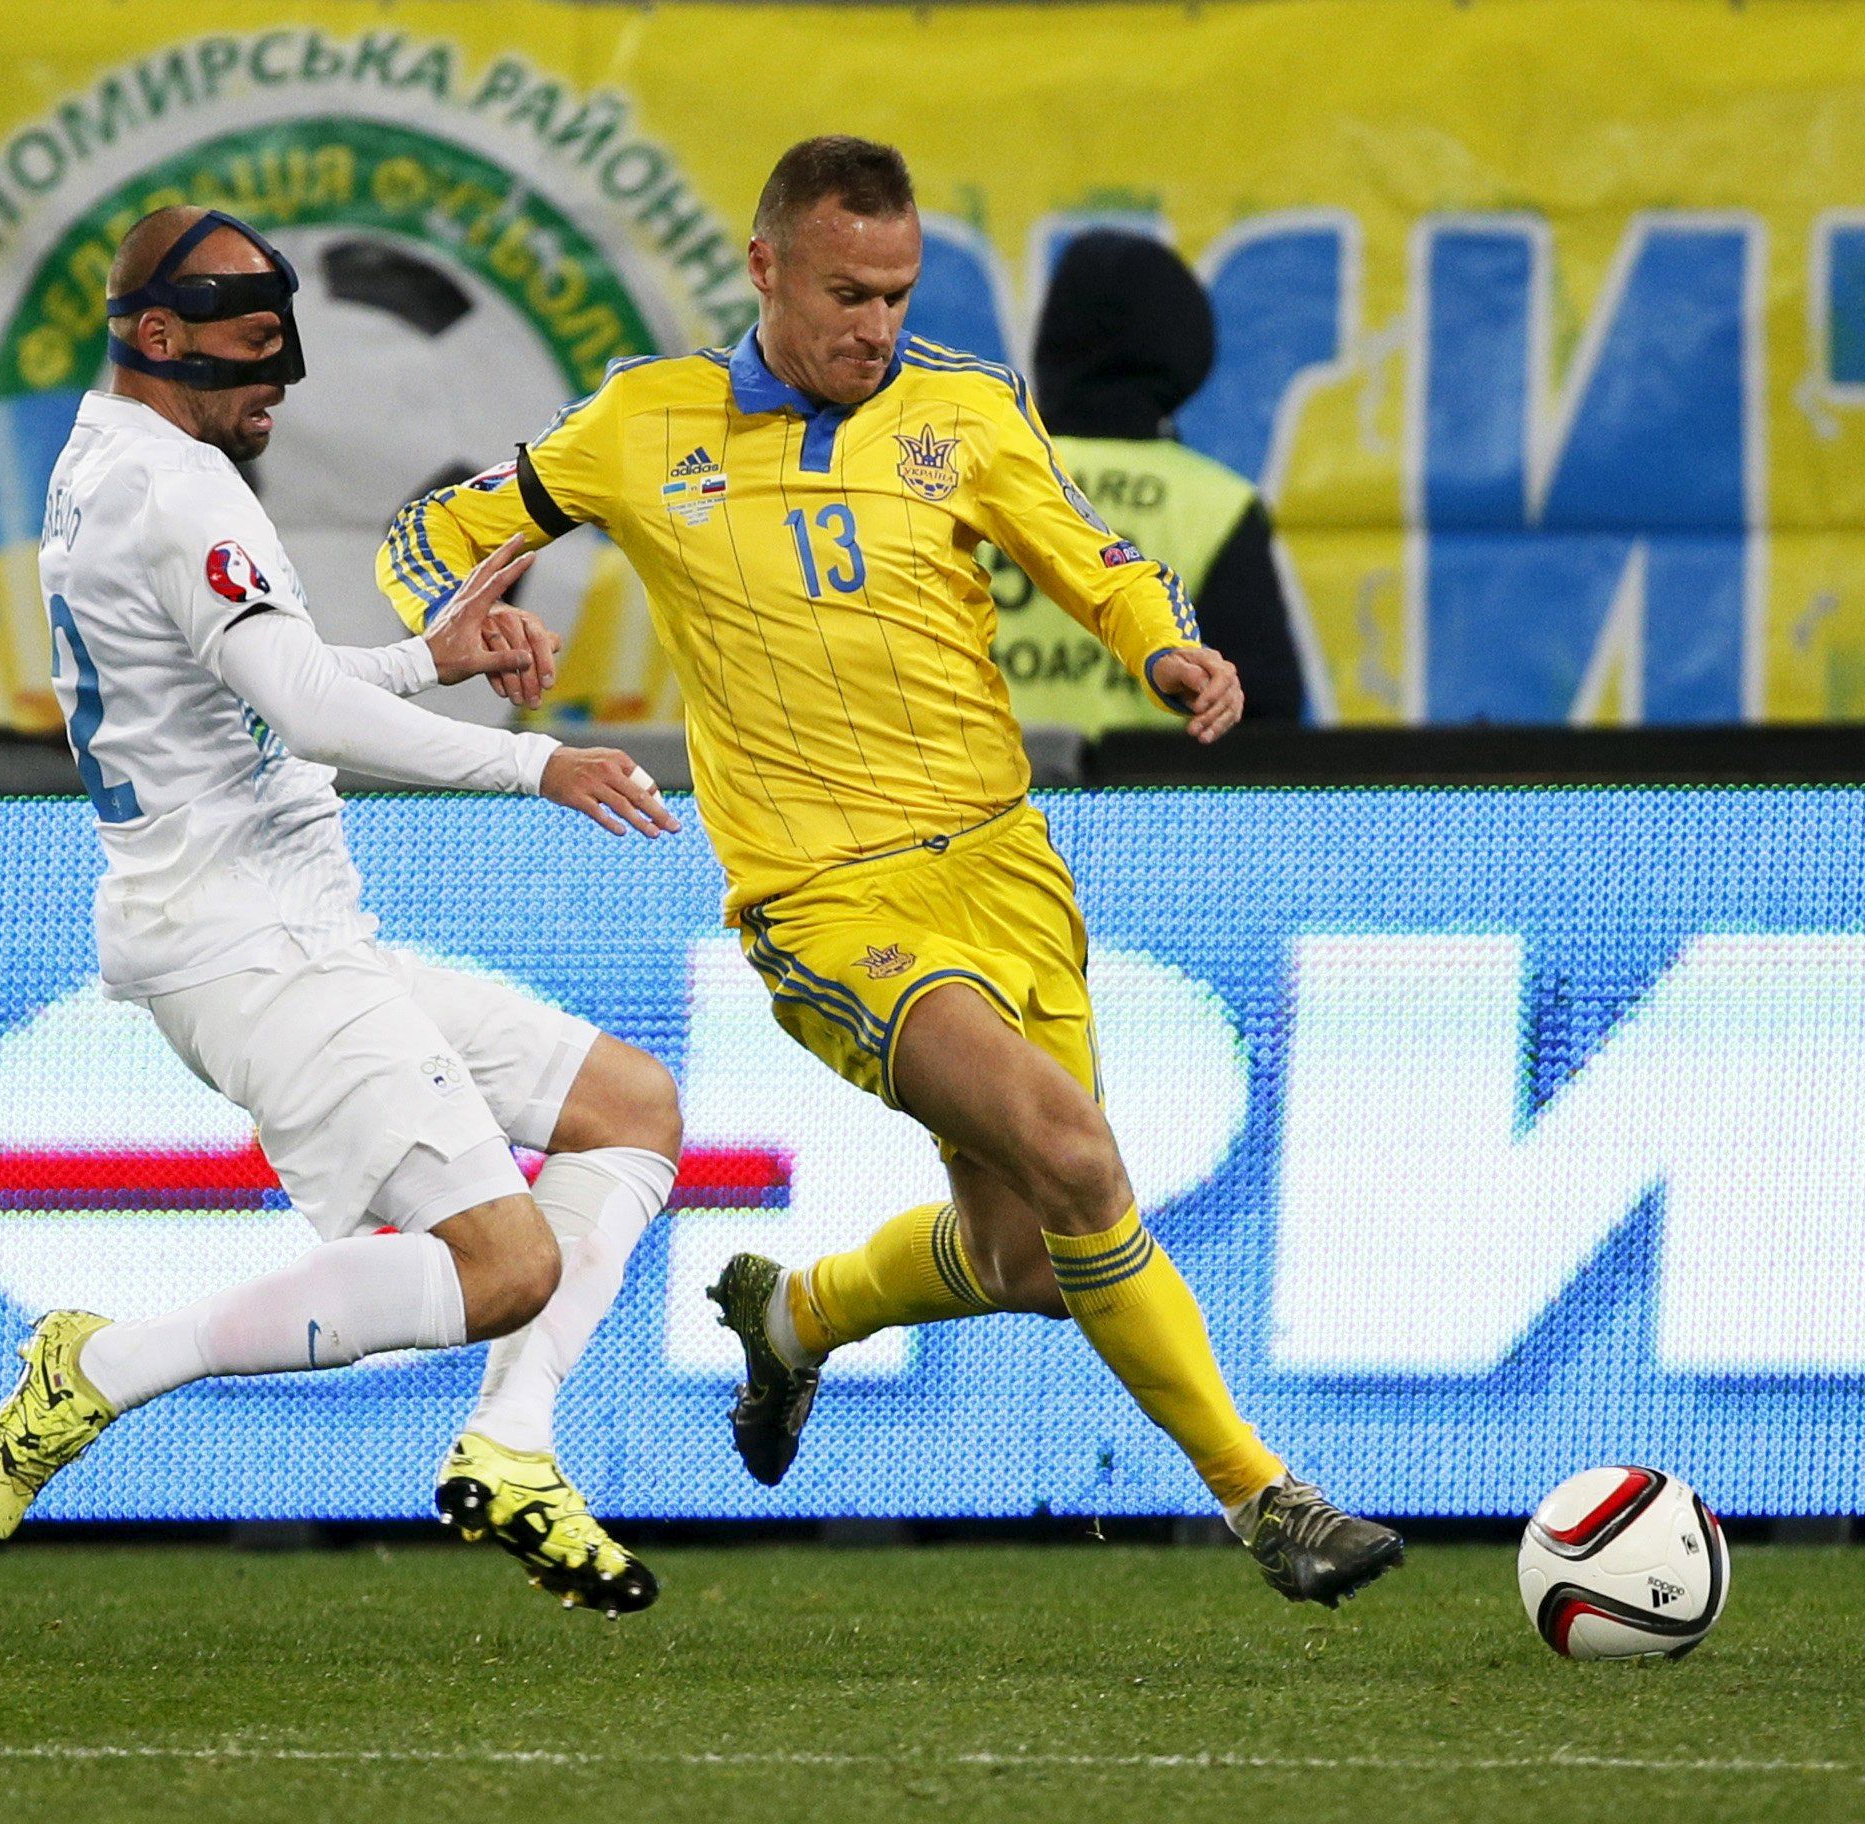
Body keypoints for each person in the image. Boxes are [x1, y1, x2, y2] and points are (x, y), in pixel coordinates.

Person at [377, 139, 1402, 1605]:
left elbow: (1095, 556)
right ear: (765, 268)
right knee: (1075, 1155)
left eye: (898, 295)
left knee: (1028, 1257)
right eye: (847, 294)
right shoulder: (642, 421)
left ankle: (794, 1316)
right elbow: (433, 534)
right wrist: (460, 619)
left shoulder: (964, 408)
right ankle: (1266, 1499)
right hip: (830, 901)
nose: (876, 327)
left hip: (1004, 867)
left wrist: (1164, 646)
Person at [0, 205, 683, 1617]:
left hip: (290, 927)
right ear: (156, 336)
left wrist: (424, 658)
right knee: (505, 1268)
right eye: (251, 351)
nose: (278, 382)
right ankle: (104, 1364)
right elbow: (300, 710)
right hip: (250, 951)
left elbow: (257, 680)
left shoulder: (120, 465)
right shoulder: (176, 490)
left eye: (282, 348)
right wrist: (533, 762)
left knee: (629, 1108)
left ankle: (511, 1443)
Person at [985, 229, 1307, 729]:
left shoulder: (980, 475)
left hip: (978, 778)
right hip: (1159, 782)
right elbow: (1263, 713)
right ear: (1186, 350)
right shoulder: (1214, 505)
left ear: (1052, 341)